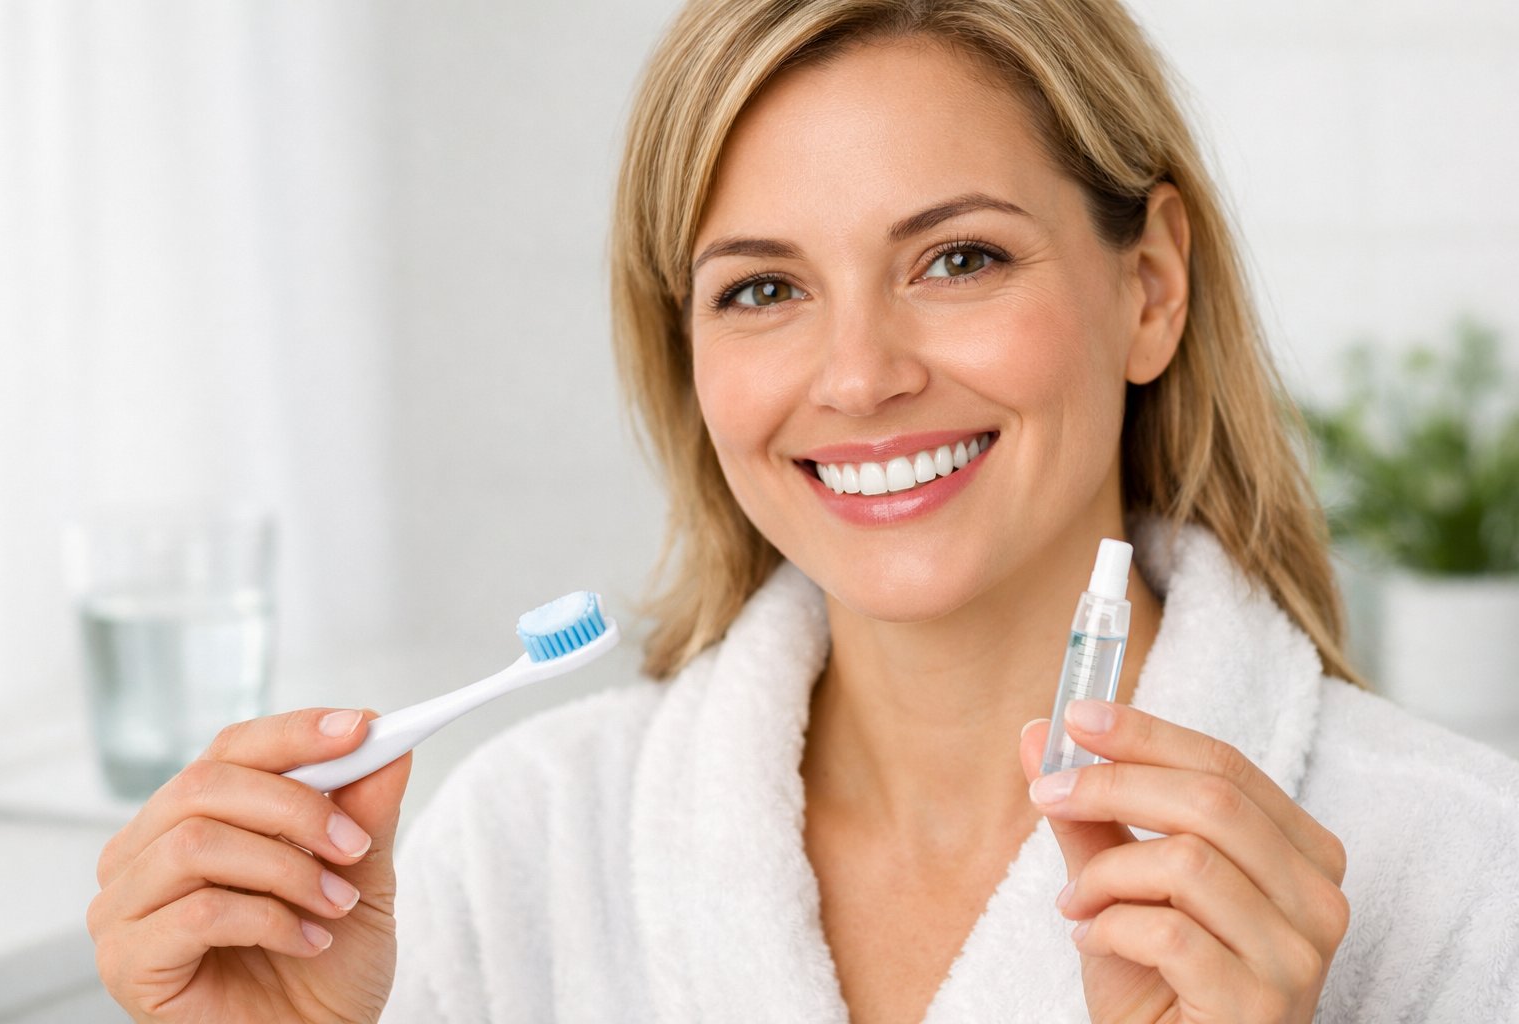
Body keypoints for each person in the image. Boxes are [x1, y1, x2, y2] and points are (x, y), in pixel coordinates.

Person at [88, 0, 1519, 1021]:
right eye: (763, 289)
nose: (859, 377)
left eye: (958, 259)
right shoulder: (525, 845)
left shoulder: (1458, 873)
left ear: (1148, 285)